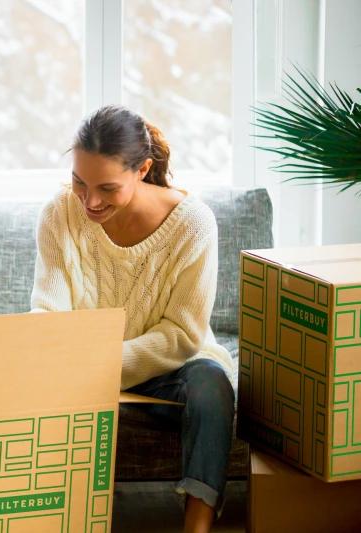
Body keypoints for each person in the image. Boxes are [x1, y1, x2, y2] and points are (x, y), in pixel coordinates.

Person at [31, 105, 234, 533]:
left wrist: (98, 364)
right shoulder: (59, 213)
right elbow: (48, 315)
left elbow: (182, 335)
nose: (90, 201)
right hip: (82, 365)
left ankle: (197, 525)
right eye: (79, 182)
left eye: (107, 188)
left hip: (167, 365)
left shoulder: (193, 224)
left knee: (212, 385)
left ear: (142, 169)